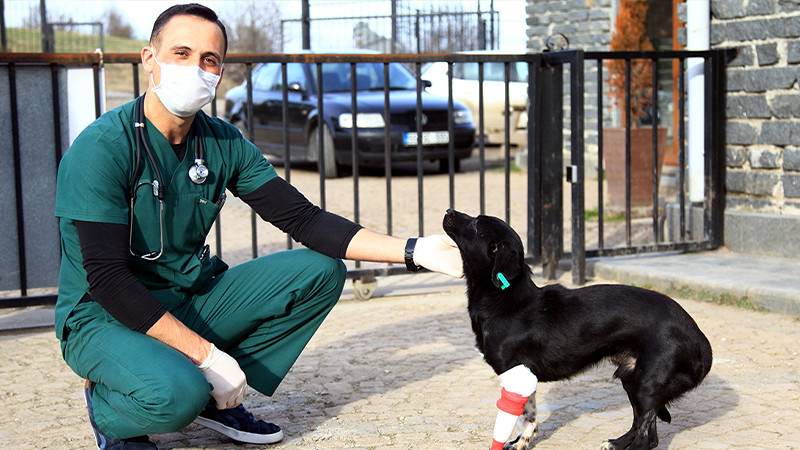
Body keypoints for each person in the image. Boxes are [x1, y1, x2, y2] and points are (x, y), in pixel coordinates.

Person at [54, 4, 463, 449]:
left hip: (184, 297)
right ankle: (114, 411)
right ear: (149, 59)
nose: (196, 68)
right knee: (175, 396)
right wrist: (206, 355)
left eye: (209, 60)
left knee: (320, 272)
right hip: (104, 315)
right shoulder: (103, 147)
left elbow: (303, 219)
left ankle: (215, 399)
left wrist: (414, 250)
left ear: (220, 72)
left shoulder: (222, 140)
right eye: (181, 53)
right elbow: (108, 280)